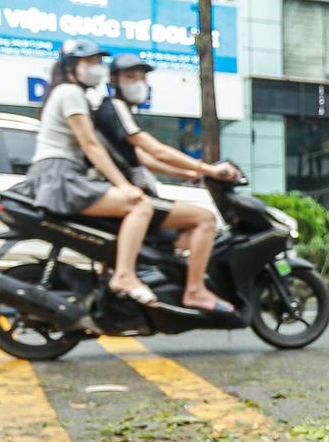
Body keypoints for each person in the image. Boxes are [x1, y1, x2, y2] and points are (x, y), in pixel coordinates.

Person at [11, 39, 229, 313]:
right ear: (70, 66)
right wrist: (125, 186)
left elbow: (140, 158)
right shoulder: (73, 94)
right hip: (61, 177)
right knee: (143, 205)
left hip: (62, 175)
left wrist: (185, 172)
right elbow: (95, 146)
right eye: (89, 62)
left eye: (98, 62)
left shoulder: (75, 96)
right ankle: (130, 276)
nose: (96, 68)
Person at [90, 53, 241, 313]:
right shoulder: (114, 107)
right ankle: (195, 291)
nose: (138, 83)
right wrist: (207, 168)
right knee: (205, 219)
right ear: (113, 80)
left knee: (185, 233)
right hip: (125, 198)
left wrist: (190, 174)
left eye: (142, 78)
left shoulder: (116, 111)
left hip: (121, 196)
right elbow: (153, 149)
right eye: (130, 77)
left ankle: (165, 284)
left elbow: (144, 159)